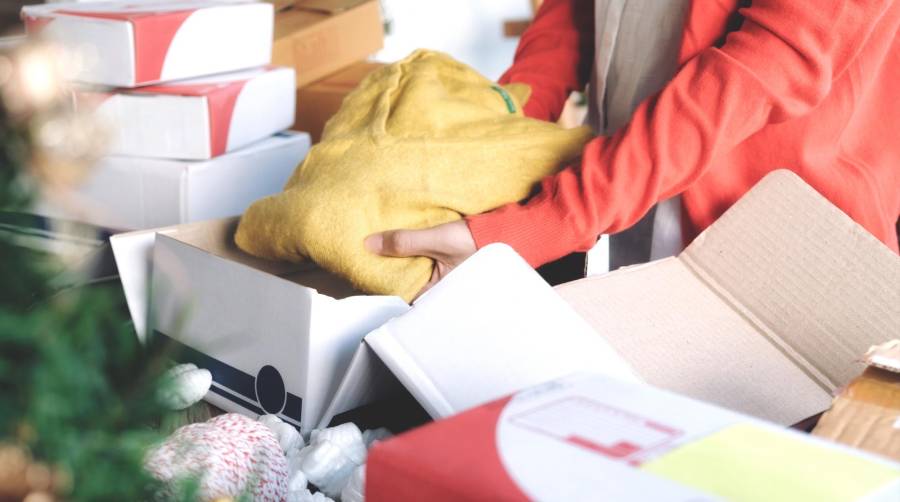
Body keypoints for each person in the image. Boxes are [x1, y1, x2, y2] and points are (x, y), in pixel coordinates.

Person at [366, 0, 900, 297]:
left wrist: (552, 220)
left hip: (787, 253)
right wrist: (499, 142)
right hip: (628, 221)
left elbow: (774, 56)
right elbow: (577, 12)